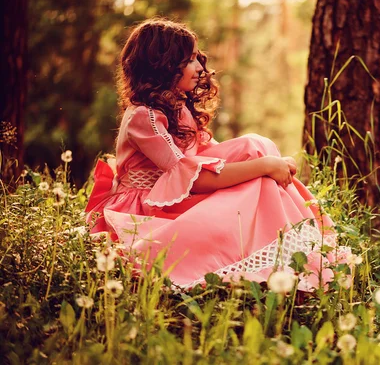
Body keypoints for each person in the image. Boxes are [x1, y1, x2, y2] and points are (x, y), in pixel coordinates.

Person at [85, 18, 348, 290]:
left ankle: (296, 253)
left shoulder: (178, 107)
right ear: (161, 66)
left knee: (254, 146)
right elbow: (194, 180)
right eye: (189, 61)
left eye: (197, 58)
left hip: (176, 193)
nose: (200, 67)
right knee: (259, 171)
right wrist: (265, 166)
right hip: (149, 205)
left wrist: (268, 160)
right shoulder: (144, 118)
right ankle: (284, 256)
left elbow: (211, 155)